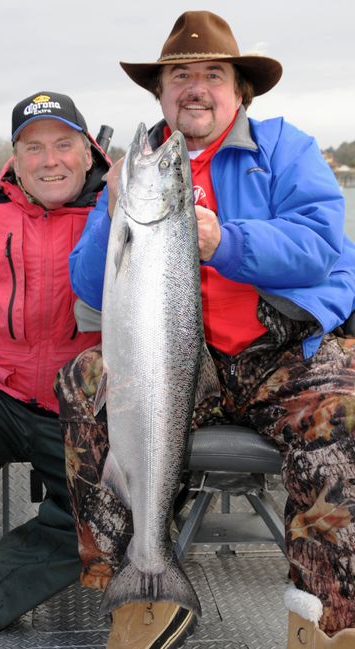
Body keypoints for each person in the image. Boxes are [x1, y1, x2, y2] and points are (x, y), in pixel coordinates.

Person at [55, 11, 355, 649]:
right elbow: (87, 285)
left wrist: (224, 239)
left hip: (277, 353)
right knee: (83, 384)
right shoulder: (137, 169)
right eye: (179, 76)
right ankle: (136, 585)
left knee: (345, 409)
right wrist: (112, 210)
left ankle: (326, 621)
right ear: (160, 93)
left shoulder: (284, 149)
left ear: (238, 90)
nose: (194, 87)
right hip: (167, 362)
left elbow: (319, 247)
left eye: (212, 74)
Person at [0, 90, 110, 631]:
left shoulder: (120, 212)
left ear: (88, 152)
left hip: (82, 407)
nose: (50, 161)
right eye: (34, 147)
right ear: (14, 158)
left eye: (64, 145)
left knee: (109, 521)